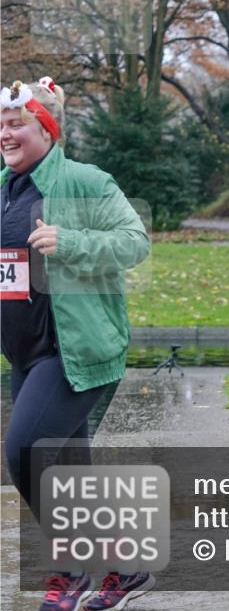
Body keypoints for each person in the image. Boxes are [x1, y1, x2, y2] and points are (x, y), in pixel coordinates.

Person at [1, 78, 154, 611]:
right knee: (67, 470)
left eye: (17, 123)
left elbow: (136, 242)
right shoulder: (5, 186)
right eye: (1, 124)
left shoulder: (85, 181)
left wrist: (72, 242)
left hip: (77, 350)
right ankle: (123, 566)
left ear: (47, 127)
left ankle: (70, 570)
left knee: (23, 452)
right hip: (24, 353)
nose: (5, 133)